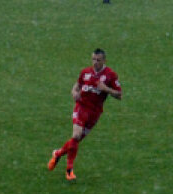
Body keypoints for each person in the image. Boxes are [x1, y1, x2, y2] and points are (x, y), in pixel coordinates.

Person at [47, 48, 123, 182]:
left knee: (75, 141)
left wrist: (106, 89)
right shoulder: (85, 72)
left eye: (98, 60)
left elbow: (119, 95)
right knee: (76, 135)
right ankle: (69, 170)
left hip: (95, 113)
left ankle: (58, 153)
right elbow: (76, 86)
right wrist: (74, 92)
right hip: (81, 107)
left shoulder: (111, 75)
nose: (95, 62)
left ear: (104, 61)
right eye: (93, 59)